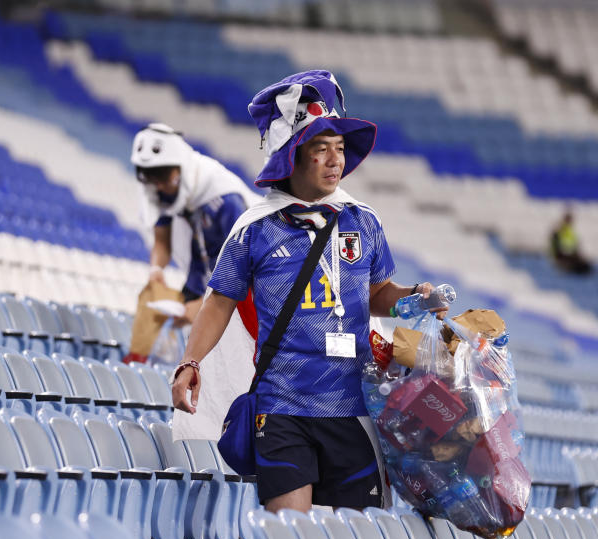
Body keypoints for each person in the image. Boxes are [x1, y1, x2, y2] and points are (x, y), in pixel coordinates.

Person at [171, 70, 448, 514]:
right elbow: (219, 301)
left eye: (339, 149)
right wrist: (190, 362)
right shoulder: (254, 229)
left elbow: (378, 292)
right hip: (282, 410)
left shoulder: (363, 220)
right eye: (321, 149)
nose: (336, 160)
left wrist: (415, 296)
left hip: (353, 408)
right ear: (291, 158)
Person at [125, 123, 260, 362]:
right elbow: (162, 240)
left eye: (162, 177)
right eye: (151, 178)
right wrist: (156, 271)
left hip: (238, 287)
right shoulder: (167, 190)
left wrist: (202, 306)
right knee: (151, 303)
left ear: (180, 170)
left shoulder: (226, 200)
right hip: (201, 275)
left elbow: (243, 266)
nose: (159, 186)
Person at [550, 208, 592, 274]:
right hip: (563, 256)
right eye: (568, 219)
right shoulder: (559, 231)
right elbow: (559, 247)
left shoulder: (570, 231)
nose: (570, 221)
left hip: (569, 255)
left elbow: (574, 245)